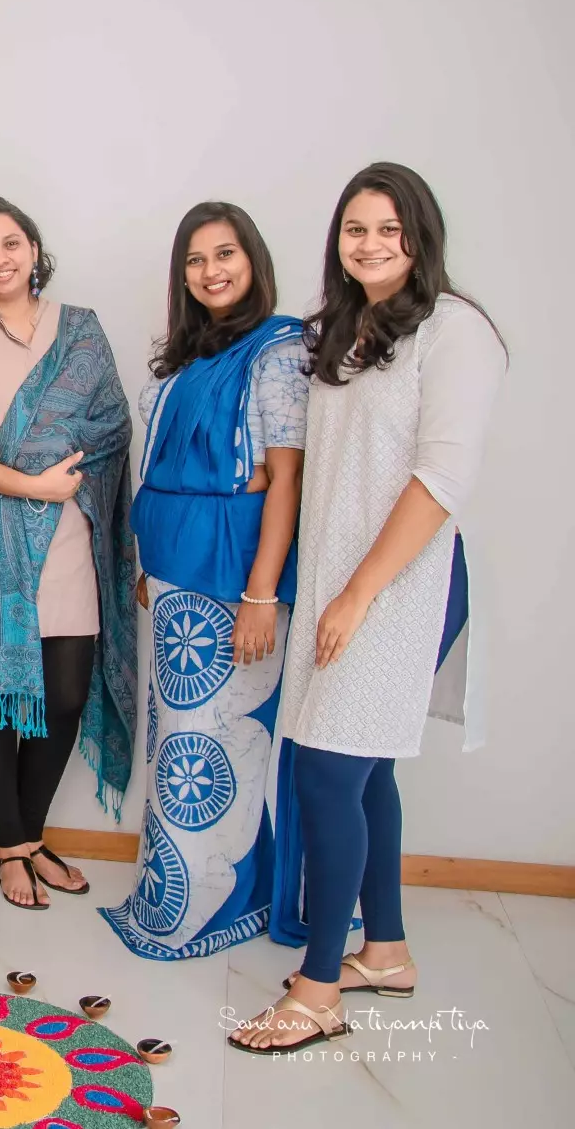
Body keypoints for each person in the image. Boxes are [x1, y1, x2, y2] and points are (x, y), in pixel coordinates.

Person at [231, 163, 504, 1054]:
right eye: (356, 228)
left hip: (402, 583)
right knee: (366, 768)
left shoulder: (455, 331)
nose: (372, 243)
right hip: (336, 577)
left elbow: (440, 478)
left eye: (390, 228)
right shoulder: (343, 333)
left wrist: (358, 592)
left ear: (420, 237)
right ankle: (384, 950)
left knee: (324, 770)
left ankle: (317, 991)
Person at [0, 197, 137, 910]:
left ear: (34, 250)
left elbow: (112, 426)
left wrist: (53, 482)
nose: (0, 258)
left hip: (66, 533)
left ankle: (30, 835)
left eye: (11, 243)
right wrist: (30, 482)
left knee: (64, 693)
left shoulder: (81, 330)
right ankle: (12, 846)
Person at [100, 204, 304, 958]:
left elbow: (284, 480)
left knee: (216, 747)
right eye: (196, 259)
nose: (211, 270)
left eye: (225, 253)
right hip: (175, 578)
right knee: (177, 740)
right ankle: (179, 894)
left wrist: (261, 595)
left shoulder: (279, 350)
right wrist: (149, 563)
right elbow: (163, 467)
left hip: (232, 579)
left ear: (253, 260)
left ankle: (214, 904)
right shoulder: (187, 356)